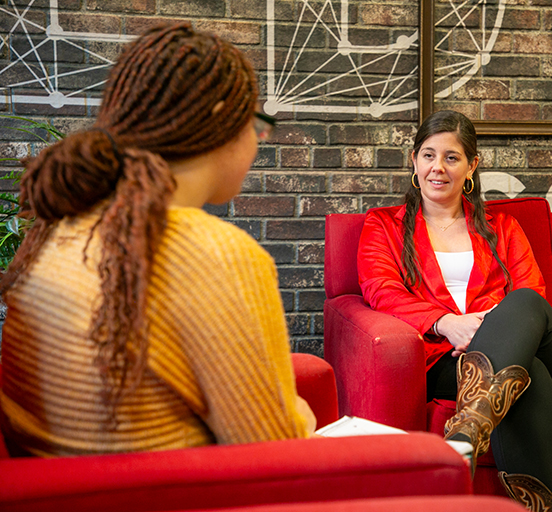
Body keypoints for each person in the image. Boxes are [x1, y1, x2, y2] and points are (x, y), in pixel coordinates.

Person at [0, 23, 316, 457]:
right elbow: (275, 449)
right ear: (221, 116)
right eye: (257, 124)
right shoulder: (214, 252)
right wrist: (300, 409)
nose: (258, 141)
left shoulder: (60, 224)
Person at [357, 110, 552, 512]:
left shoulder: (503, 227)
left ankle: (465, 434)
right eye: (428, 155)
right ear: (414, 161)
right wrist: (447, 323)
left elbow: (531, 292)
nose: (437, 167)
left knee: (524, 303)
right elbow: (381, 290)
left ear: (472, 165)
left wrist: (487, 332)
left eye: (451, 157)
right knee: (530, 378)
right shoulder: (383, 226)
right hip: (446, 361)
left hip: (533, 346)